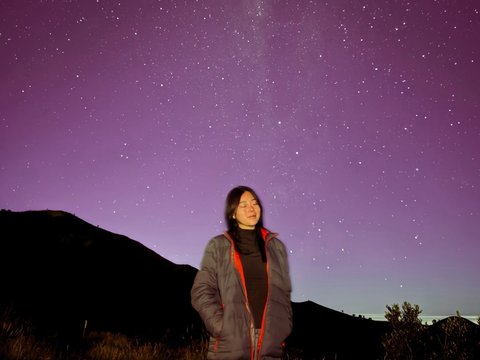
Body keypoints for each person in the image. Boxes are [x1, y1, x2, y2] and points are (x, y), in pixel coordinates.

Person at [191, 185, 292, 359]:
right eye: (243, 205)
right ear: (232, 213)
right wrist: (221, 327)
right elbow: (201, 290)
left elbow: (283, 292)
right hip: (231, 344)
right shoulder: (219, 246)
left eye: (254, 203)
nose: (251, 208)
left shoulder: (277, 247)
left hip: (270, 346)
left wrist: (283, 328)